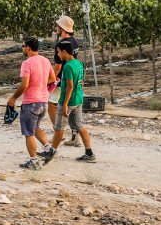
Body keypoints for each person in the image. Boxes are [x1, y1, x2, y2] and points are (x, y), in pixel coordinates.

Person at [38, 39, 96, 164]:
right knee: (79, 125)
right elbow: (81, 82)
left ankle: (51, 152)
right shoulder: (78, 63)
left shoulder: (68, 67)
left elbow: (70, 86)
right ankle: (89, 152)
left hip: (68, 101)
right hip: (78, 99)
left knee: (59, 128)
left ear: (64, 52)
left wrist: (64, 104)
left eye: (59, 52)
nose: (58, 55)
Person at [7, 37, 56, 169]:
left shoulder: (27, 63)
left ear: (28, 48)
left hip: (31, 102)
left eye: (23, 46)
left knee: (28, 132)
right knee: (35, 127)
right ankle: (48, 149)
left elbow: (24, 85)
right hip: (43, 101)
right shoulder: (45, 60)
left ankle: (33, 161)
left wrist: (13, 98)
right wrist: (40, 84)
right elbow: (52, 78)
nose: (22, 48)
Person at [48, 15, 79, 143]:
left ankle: (58, 134)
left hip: (62, 80)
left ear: (62, 28)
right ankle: (75, 136)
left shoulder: (60, 45)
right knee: (72, 107)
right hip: (74, 77)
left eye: (58, 26)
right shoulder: (75, 42)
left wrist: (49, 80)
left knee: (51, 104)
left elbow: (58, 67)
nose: (56, 28)